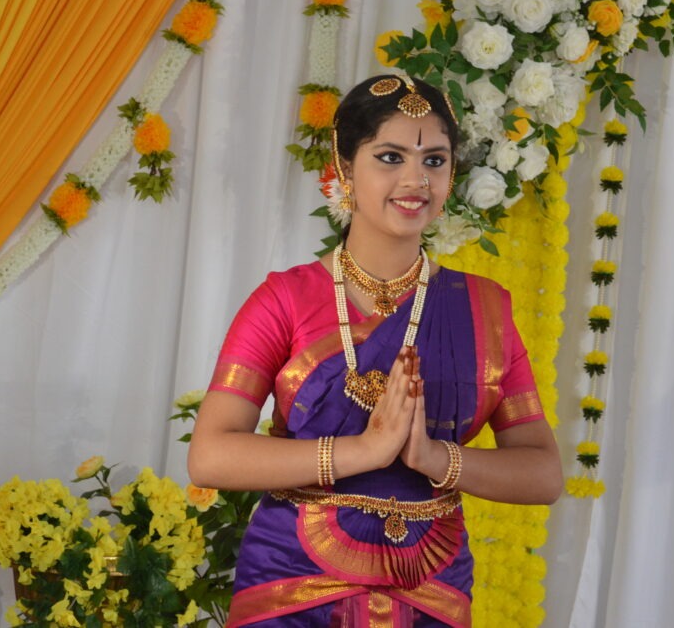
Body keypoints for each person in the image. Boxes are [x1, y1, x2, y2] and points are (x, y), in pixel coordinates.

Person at [188, 74, 563, 627]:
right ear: (344, 169)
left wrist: (434, 459)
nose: (416, 180)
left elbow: (543, 473)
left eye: (434, 160)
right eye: (390, 157)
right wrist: (363, 451)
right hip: (291, 585)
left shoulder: (485, 309)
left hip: (431, 583)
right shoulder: (284, 299)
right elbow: (210, 455)